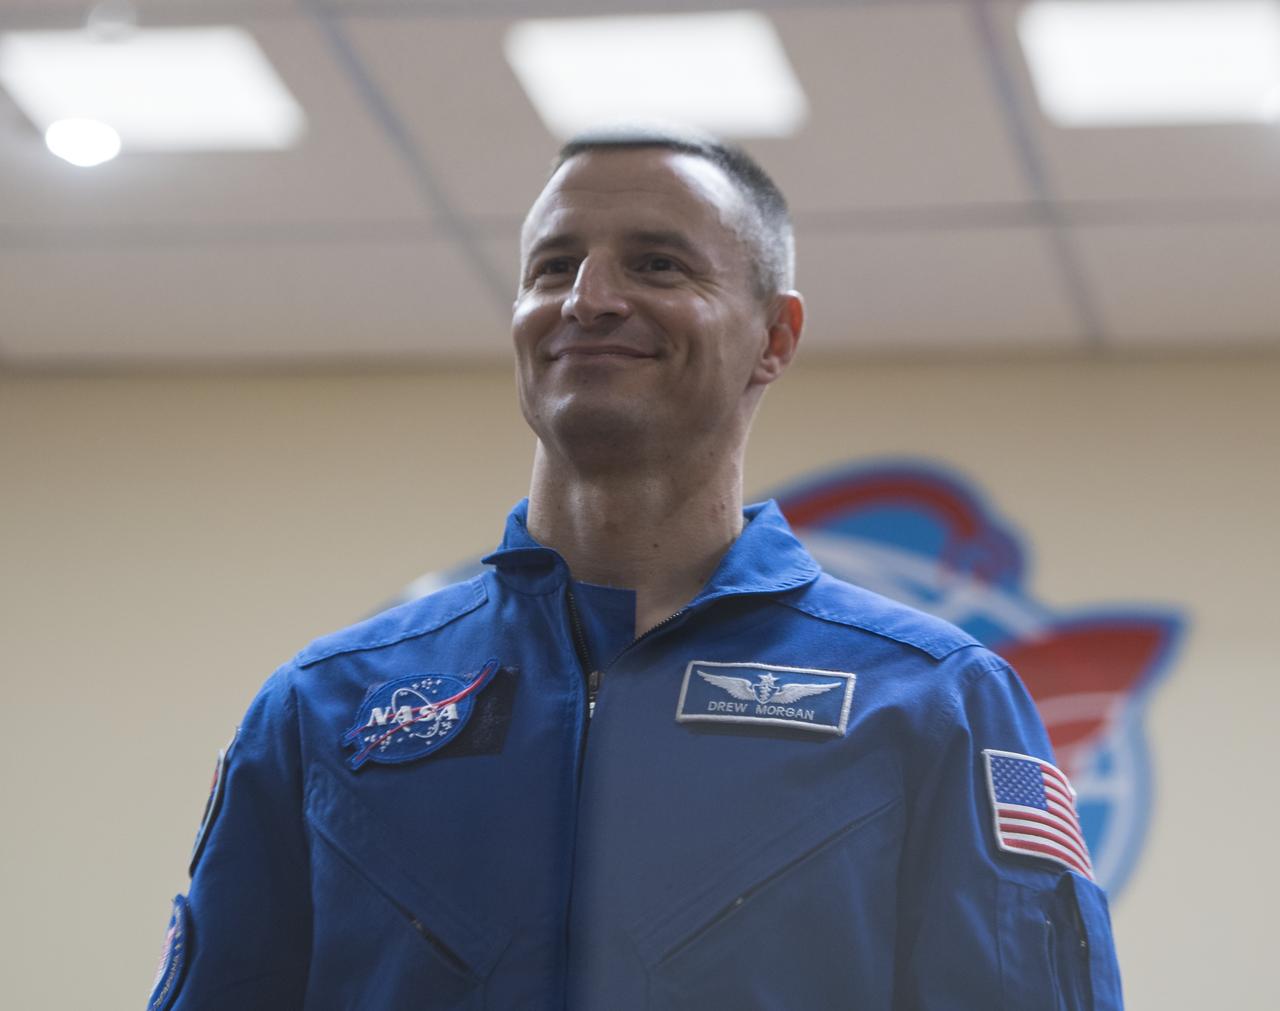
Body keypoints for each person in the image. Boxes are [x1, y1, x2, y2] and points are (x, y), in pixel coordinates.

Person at [149, 127, 1123, 1010]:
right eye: (553, 266)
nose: (588, 299)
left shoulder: (931, 703)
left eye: (656, 264)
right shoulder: (322, 708)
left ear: (773, 338)